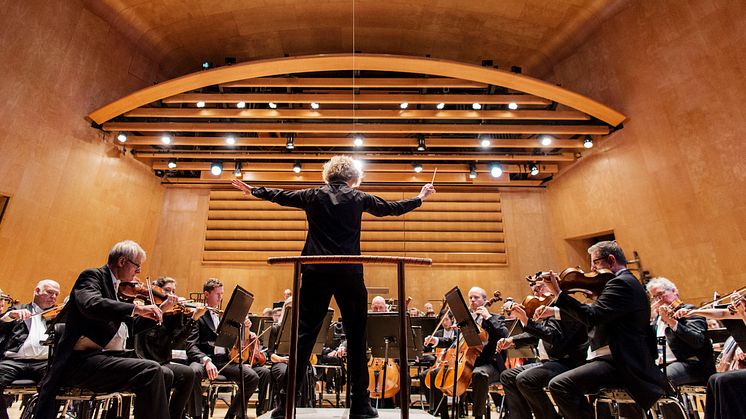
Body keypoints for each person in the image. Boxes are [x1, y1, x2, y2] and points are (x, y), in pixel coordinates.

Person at [232, 155, 435, 419]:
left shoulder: (312, 195)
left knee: (303, 337)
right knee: (357, 337)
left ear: (328, 175)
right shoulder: (359, 197)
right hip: (349, 271)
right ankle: (360, 406)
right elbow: (391, 208)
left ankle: (286, 405)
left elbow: (282, 195)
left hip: (316, 270)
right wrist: (420, 197)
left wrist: (254, 190)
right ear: (353, 177)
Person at [35, 240, 171, 419]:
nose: (138, 271)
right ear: (122, 262)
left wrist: (161, 310)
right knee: (150, 371)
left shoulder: (117, 288)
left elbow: (128, 329)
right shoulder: (92, 276)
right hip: (79, 363)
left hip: (103, 358)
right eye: (137, 266)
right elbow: (90, 304)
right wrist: (136, 309)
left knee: (166, 373)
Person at [545, 240, 668, 419]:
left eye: (595, 262)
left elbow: (592, 316)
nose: (592, 269)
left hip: (623, 363)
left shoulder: (621, 284)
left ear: (611, 260)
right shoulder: (624, 282)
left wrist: (559, 294)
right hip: (614, 360)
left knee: (560, 385)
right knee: (569, 382)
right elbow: (595, 314)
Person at [498, 279, 588, 419]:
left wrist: (527, 321)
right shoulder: (547, 308)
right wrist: (512, 340)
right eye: (534, 289)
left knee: (525, 379)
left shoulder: (563, 309)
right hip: (549, 362)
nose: (536, 292)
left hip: (567, 362)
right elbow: (538, 334)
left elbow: (552, 336)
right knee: (507, 376)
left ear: (554, 287)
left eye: (540, 288)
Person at [186, 278, 270, 419]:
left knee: (252, 377)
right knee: (193, 371)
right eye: (217, 294)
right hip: (204, 359)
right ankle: (196, 416)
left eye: (222, 294)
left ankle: (230, 416)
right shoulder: (198, 315)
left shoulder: (224, 315)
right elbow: (191, 345)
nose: (220, 298)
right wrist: (206, 361)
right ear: (206, 294)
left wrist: (245, 328)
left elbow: (235, 342)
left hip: (224, 361)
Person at [134, 277, 208, 419]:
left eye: (173, 291)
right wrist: (162, 310)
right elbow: (151, 335)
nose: (171, 295)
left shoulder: (174, 314)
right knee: (167, 374)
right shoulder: (147, 309)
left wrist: (194, 319)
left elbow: (178, 341)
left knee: (188, 373)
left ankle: (174, 415)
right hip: (146, 358)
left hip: (163, 360)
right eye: (167, 290)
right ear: (157, 290)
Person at [0, 280, 60, 419]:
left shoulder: (58, 315)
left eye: (56, 294)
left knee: (56, 383)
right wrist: (11, 316)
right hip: (13, 361)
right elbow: (2, 323)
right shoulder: (18, 309)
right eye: (50, 292)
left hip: (43, 363)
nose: (53, 297)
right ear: (37, 291)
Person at [647, 277, 714, 386]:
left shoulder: (689, 311)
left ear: (674, 291)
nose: (658, 300)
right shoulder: (657, 319)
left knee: (658, 379)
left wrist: (671, 322)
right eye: (654, 297)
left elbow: (697, 341)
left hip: (691, 364)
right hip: (662, 364)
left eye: (660, 294)